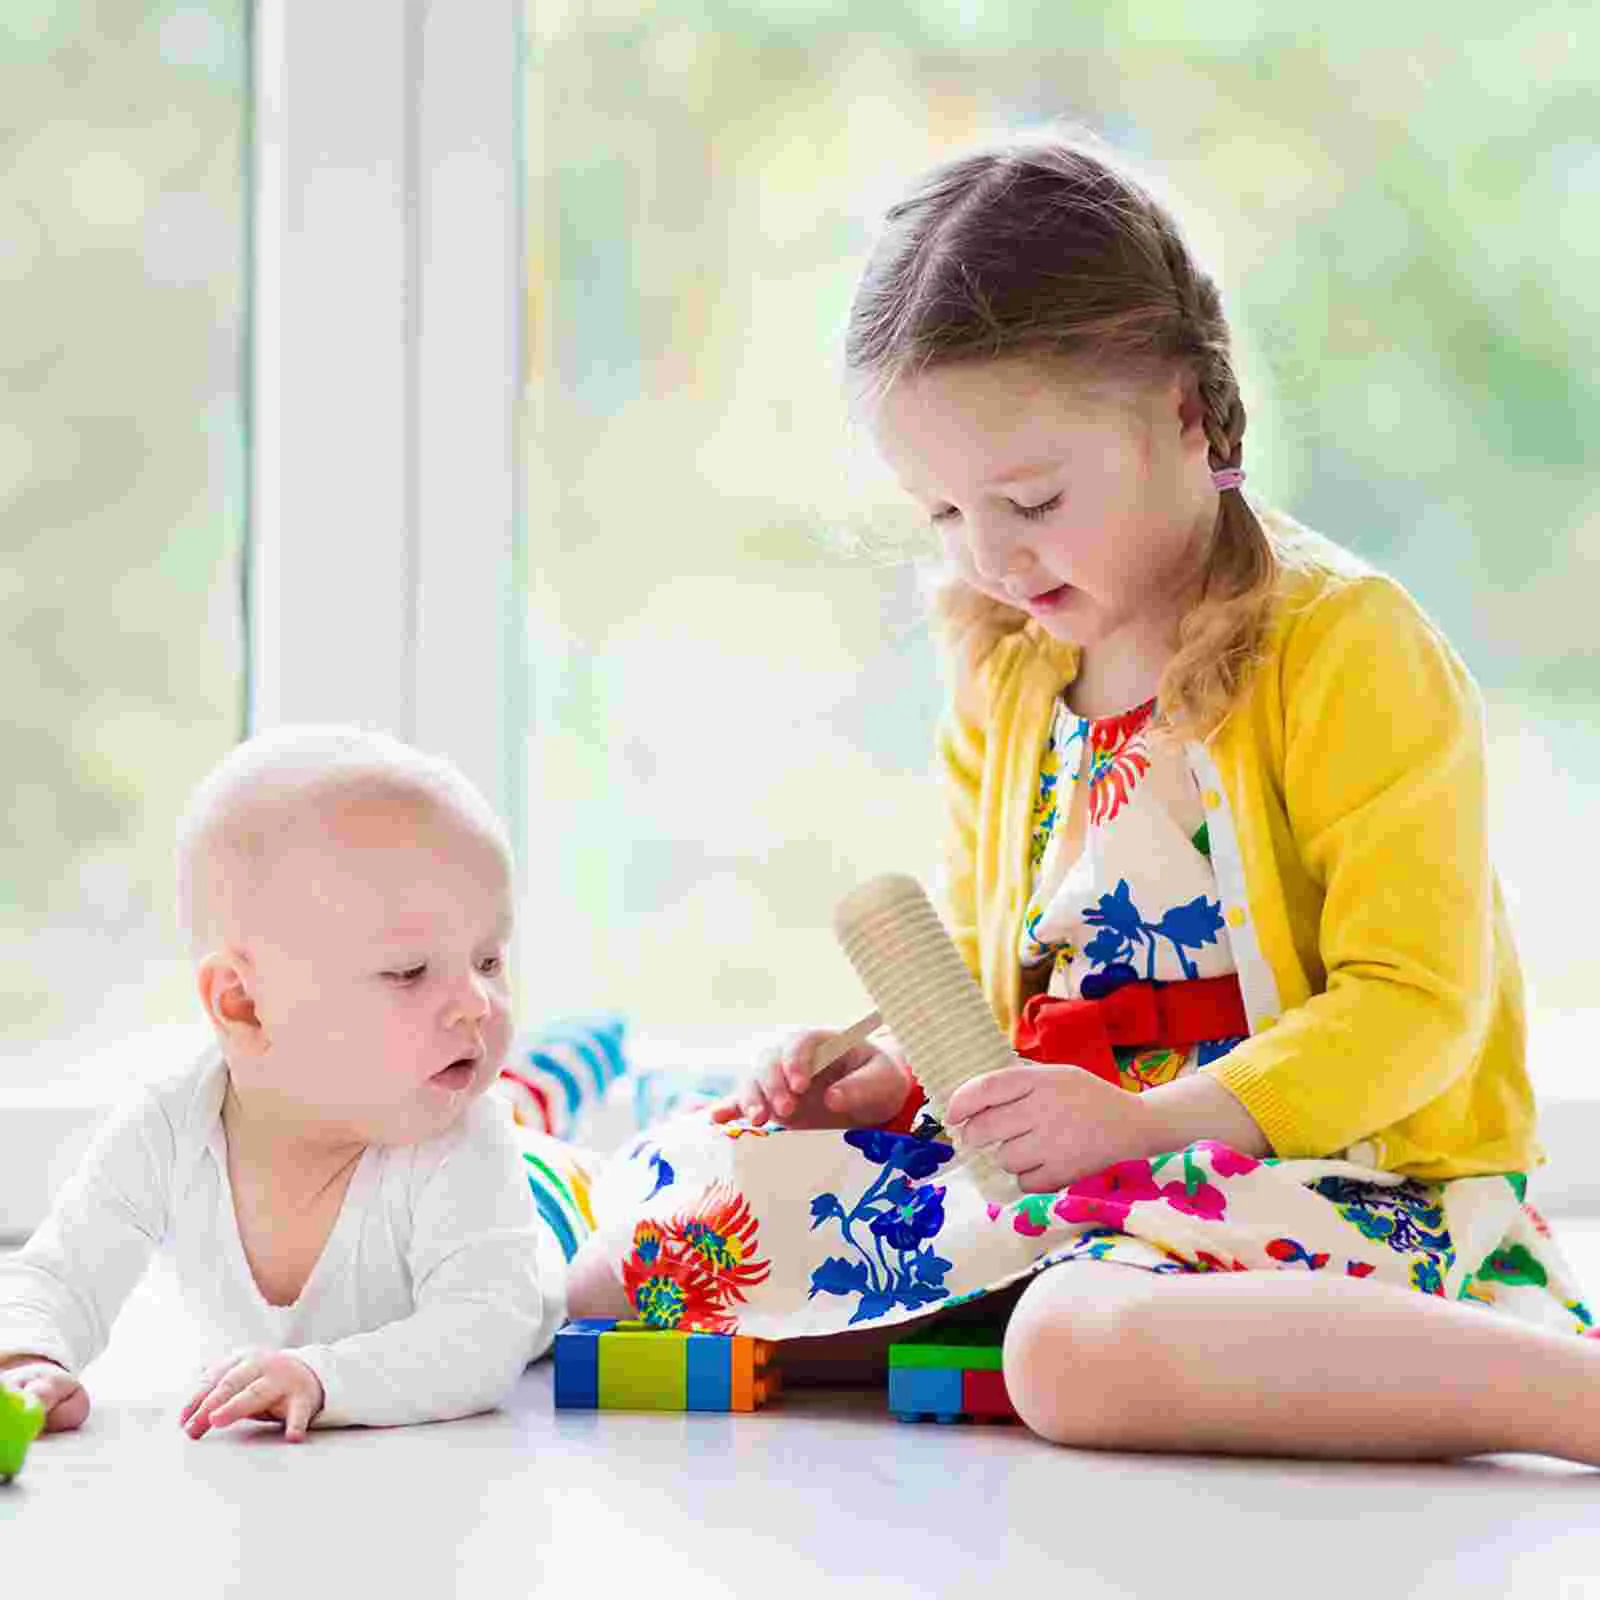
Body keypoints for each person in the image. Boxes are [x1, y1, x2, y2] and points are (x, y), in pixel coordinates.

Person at [572, 133, 1600, 1465]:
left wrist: (1155, 1122)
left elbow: (1418, 1010)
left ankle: (1563, 1392)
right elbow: (1012, 1009)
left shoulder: (1345, 646)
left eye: (1031, 500)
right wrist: (889, 1083)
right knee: (636, 1260)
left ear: (1187, 411)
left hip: (1342, 1180)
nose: (989, 557)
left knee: (1068, 1353)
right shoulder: (1012, 673)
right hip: (1096, 1188)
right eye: (941, 514)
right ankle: (1065, 1304)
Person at [0, 725, 584, 1442]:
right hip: (505, 1156)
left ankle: (588, 1084)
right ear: (244, 1004)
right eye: (408, 972)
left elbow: (483, 1335)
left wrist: (323, 1377)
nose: (477, 1002)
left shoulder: (459, 1133)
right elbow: (60, 1272)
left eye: (489, 961)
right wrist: (28, 1356)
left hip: (552, 1213)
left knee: (627, 1254)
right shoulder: (168, 1126)